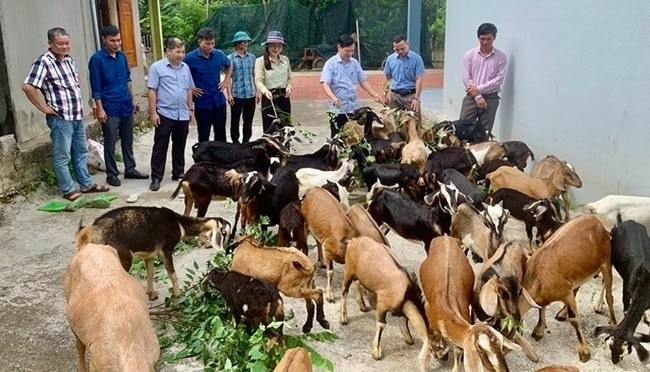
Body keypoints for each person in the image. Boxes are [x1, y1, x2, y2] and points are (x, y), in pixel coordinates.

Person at [22, 27, 109, 201]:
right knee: (63, 155)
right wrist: (43, 107)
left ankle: (86, 184)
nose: (64, 47)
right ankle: (68, 189)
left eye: (67, 43)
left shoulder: (68, 59)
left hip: (76, 114)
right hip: (60, 118)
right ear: (50, 44)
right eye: (60, 44)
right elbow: (28, 86)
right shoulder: (44, 62)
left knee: (81, 151)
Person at [88, 24, 148, 187]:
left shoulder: (122, 57)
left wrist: (133, 99)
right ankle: (112, 173)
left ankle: (130, 169)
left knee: (128, 139)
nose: (117, 43)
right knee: (110, 141)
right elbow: (96, 87)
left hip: (125, 104)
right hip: (109, 106)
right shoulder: (97, 60)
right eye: (112, 40)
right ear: (104, 40)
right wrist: (100, 108)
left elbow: (127, 79)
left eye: (119, 40)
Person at [147, 36, 194, 191]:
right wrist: (153, 113)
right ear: (168, 51)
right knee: (161, 145)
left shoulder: (185, 67)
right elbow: (152, 90)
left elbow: (188, 90)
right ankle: (156, 177)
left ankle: (178, 172)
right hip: (165, 113)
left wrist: (190, 109)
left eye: (183, 52)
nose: (181, 55)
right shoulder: (156, 68)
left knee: (180, 145)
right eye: (177, 51)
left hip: (182, 113)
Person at [320, 34, 383, 137]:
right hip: (338, 108)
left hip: (353, 107)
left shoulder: (354, 63)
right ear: (339, 47)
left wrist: (374, 94)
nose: (350, 53)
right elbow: (325, 84)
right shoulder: (330, 64)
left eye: (352, 51)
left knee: (354, 135)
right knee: (338, 137)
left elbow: (363, 81)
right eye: (347, 51)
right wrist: (333, 98)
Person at [183, 27, 232, 142]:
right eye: (207, 43)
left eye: (212, 43)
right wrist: (190, 87)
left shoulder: (219, 55)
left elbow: (229, 65)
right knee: (203, 135)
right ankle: (203, 159)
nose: (210, 47)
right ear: (199, 42)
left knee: (221, 134)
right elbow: (181, 73)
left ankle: (219, 159)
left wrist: (226, 80)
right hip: (202, 103)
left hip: (219, 102)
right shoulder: (190, 59)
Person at [459, 23, 507, 135]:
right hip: (471, 98)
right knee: (462, 129)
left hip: (491, 98)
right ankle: (463, 152)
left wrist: (478, 89)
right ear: (478, 38)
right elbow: (466, 77)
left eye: (489, 39)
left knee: (484, 133)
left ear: (494, 38)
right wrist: (477, 96)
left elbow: (498, 80)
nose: (485, 42)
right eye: (482, 39)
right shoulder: (469, 55)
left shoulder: (501, 57)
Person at [254, 31, 292, 132]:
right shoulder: (260, 61)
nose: (276, 49)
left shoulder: (285, 60)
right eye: (273, 46)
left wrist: (289, 87)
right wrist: (264, 90)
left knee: (285, 126)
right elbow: (258, 80)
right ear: (267, 46)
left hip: (284, 96)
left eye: (279, 46)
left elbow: (289, 78)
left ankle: (285, 147)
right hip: (269, 96)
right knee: (270, 126)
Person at [227, 31, 258, 143]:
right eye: (242, 41)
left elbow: (255, 75)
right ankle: (235, 141)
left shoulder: (252, 58)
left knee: (248, 121)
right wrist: (229, 94)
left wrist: (257, 92)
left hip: (250, 94)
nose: (245, 44)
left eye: (246, 41)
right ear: (236, 43)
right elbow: (228, 78)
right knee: (235, 120)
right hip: (237, 95)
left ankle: (246, 141)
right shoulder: (230, 59)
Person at [384, 34, 426, 113]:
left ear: (408, 44)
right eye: (397, 49)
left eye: (402, 48)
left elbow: (419, 79)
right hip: (395, 96)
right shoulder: (390, 59)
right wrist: (386, 94)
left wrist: (416, 98)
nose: (400, 51)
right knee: (392, 122)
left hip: (410, 96)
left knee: (414, 121)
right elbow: (388, 78)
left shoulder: (417, 59)